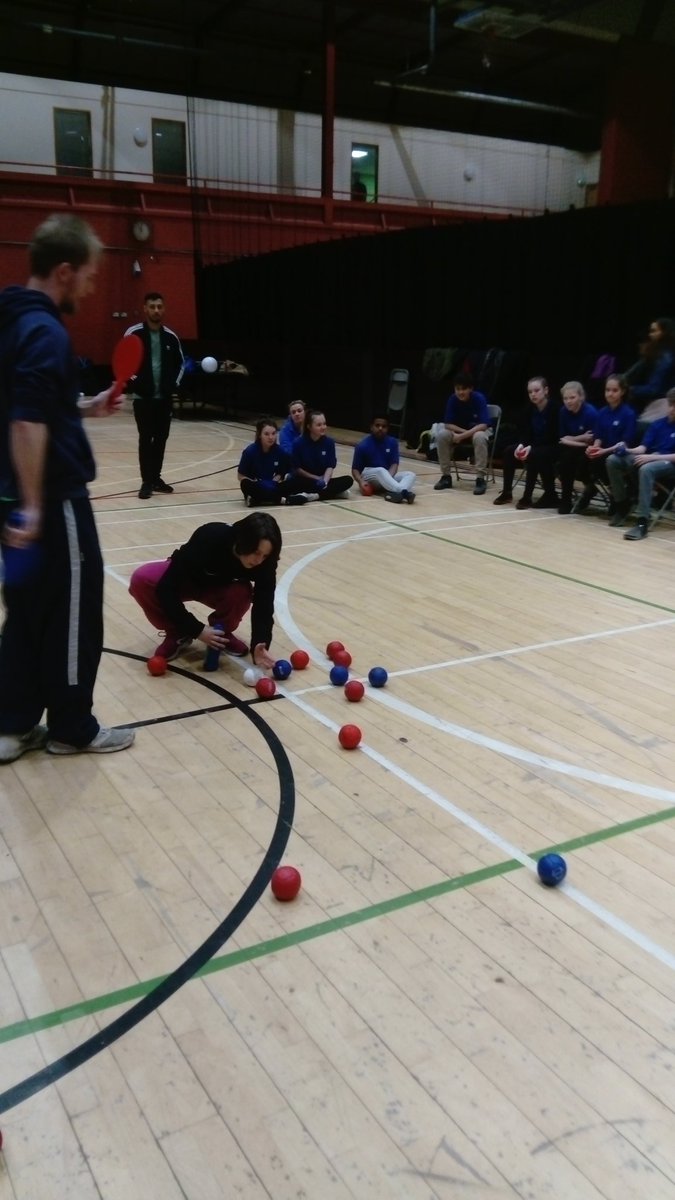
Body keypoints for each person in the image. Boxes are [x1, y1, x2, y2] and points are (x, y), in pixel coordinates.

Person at [0, 213, 135, 762]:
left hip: (9, 502)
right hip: (51, 501)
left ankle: (11, 726)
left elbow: (31, 406)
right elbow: (27, 421)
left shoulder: (9, 320)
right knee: (76, 610)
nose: (91, 285)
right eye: (88, 275)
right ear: (63, 270)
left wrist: (86, 406)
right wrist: (36, 505)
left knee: (26, 611)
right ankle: (71, 727)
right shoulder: (45, 330)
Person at [128, 512, 282, 665]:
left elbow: (265, 602)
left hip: (217, 588)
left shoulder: (264, 563)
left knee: (241, 592)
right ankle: (178, 632)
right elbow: (166, 588)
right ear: (243, 541)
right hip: (186, 580)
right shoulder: (209, 537)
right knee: (141, 579)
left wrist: (260, 643)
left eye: (265, 555)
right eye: (256, 552)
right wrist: (196, 629)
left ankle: (221, 634)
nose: (259, 560)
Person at [125, 292, 185, 499]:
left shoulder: (170, 336)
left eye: (160, 306)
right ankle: (146, 482)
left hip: (164, 400)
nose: (156, 310)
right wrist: (136, 383)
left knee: (160, 440)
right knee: (145, 439)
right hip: (143, 399)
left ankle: (156, 478)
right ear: (145, 308)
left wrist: (172, 385)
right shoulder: (133, 333)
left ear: (164, 309)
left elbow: (181, 364)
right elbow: (124, 363)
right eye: (152, 306)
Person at [606, 388, 675, 540]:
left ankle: (642, 521)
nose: (672, 409)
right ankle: (622, 504)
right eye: (671, 404)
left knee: (646, 468)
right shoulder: (657, 424)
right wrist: (628, 450)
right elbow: (643, 448)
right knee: (613, 460)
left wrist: (651, 457)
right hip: (651, 457)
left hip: (669, 465)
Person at [573, 374, 636, 514]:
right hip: (603, 451)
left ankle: (617, 496)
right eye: (608, 390)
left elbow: (625, 443)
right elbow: (598, 435)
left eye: (614, 390)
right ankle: (591, 489)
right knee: (582, 460)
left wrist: (603, 451)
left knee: (603, 461)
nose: (610, 394)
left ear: (622, 392)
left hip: (619, 453)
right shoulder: (602, 412)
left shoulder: (628, 413)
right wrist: (595, 446)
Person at [493, 376, 560, 509]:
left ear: (546, 390)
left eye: (536, 390)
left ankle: (527, 496)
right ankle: (507, 492)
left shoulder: (555, 408)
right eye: (530, 392)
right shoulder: (529, 409)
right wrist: (521, 445)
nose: (533, 394)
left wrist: (530, 447)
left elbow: (554, 436)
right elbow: (525, 432)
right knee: (508, 451)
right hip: (533, 446)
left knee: (534, 454)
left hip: (552, 446)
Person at [433, 372, 491, 495]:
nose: (460, 392)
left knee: (480, 436)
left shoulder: (479, 398)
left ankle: (480, 479)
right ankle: (446, 477)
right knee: (442, 435)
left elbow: (483, 425)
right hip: (461, 431)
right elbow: (448, 424)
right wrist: (464, 433)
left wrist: (463, 436)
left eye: (463, 389)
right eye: (457, 389)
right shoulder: (452, 399)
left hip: (477, 432)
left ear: (471, 388)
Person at [238, 417, 308, 506]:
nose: (271, 437)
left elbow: (282, 471)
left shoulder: (280, 452)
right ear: (260, 435)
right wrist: (257, 482)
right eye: (266, 434)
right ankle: (283, 500)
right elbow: (240, 476)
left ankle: (257, 500)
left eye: (273, 433)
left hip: (273, 485)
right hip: (256, 486)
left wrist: (275, 480)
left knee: (294, 482)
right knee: (245, 484)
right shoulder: (250, 451)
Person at [351, 415, 417, 504]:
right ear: (371, 427)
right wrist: (361, 482)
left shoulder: (392, 442)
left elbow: (394, 464)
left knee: (410, 475)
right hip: (369, 476)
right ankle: (404, 492)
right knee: (380, 470)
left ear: (388, 428)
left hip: (386, 475)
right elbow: (355, 469)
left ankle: (394, 494)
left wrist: (388, 479)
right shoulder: (362, 445)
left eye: (384, 426)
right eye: (377, 425)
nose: (380, 428)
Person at [290, 410, 353, 500]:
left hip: (323, 479)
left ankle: (315, 495)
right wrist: (316, 478)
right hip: (306, 479)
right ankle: (332, 493)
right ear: (309, 427)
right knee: (294, 483)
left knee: (348, 480)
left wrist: (325, 481)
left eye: (324, 424)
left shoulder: (329, 442)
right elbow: (297, 469)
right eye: (319, 425)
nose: (323, 427)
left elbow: (330, 466)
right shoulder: (298, 443)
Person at [556, 380, 598, 514]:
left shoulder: (590, 413)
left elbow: (591, 442)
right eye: (565, 398)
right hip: (572, 448)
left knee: (567, 460)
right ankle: (571, 496)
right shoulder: (563, 411)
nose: (568, 401)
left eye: (572, 397)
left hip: (589, 450)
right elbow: (561, 438)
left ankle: (566, 499)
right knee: (561, 458)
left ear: (581, 397)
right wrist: (580, 438)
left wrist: (571, 439)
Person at [623, 317, 675, 412]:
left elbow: (654, 389)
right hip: (653, 401)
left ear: (664, 333)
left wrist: (629, 389)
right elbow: (630, 373)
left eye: (654, 331)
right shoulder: (655, 354)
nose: (650, 335)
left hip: (663, 404)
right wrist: (619, 382)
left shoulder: (666, 357)